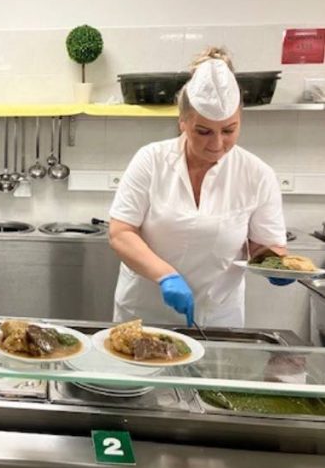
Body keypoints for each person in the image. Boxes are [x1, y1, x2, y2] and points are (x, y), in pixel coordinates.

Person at [108, 47, 291, 328]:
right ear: (182, 121)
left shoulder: (257, 175)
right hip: (144, 312)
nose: (217, 144)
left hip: (217, 317)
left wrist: (276, 265)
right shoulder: (151, 160)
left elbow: (263, 246)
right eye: (203, 131)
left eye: (228, 130)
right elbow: (121, 232)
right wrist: (165, 276)